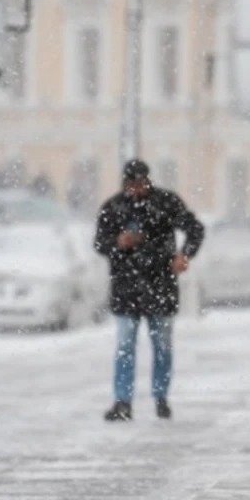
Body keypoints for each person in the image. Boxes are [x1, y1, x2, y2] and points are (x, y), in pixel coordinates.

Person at [93, 159, 205, 422]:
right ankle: (123, 401)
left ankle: (160, 397)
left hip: (160, 284)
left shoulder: (165, 203)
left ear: (148, 180)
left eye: (141, 183)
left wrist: (184, 255)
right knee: (124, 346)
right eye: (132, 184)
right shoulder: (113, 207)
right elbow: (99, 242)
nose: (137, 189)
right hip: (126, 287)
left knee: (162, 345)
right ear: (125, 184)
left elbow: (194, 229)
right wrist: (117, 242)